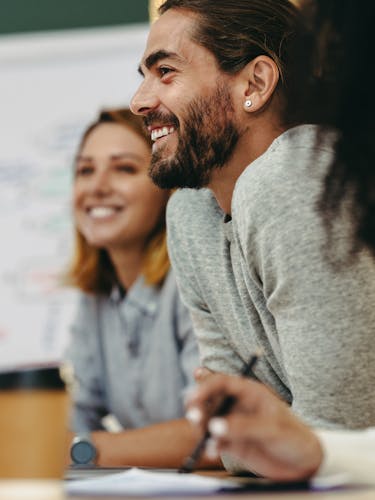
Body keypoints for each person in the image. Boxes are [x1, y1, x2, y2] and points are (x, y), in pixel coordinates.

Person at [130, 0, 375, 473]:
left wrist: (271, 439)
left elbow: (331, 438)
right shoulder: (191, 213)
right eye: (143, 74)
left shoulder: (296, 176)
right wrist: (261, 439)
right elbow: (233, 440)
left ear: (255, 83)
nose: (140, 100)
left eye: (165, 71)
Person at [64, 107, 218, 468]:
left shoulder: (193, 279)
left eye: (124, 168)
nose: (98, 187)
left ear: (167, 188)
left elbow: (214, 434)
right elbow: (74, 415)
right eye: (85, 170)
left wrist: (81, 450)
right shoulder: (98, 295)